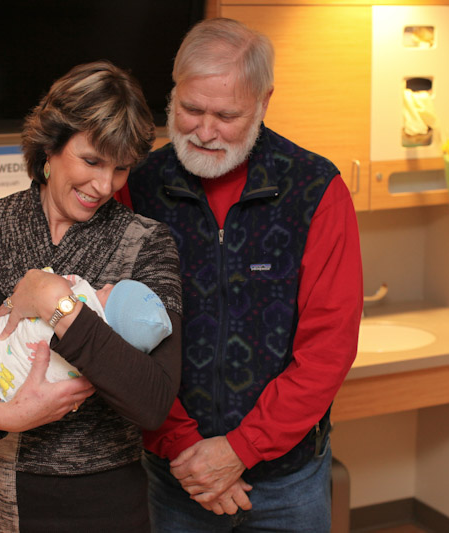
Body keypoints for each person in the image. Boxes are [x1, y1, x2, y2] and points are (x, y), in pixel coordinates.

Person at [0, 60, 183, 532]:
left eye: (121, 168)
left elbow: (153, 401)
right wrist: (1, 414)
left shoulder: (146, 243)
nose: (105, 186)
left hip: (103, 514)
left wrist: (57, 305)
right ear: (50, 145)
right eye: (92, 161)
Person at [122, 18, 363, 531]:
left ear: (264, 101)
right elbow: (119, 339)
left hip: (288, 484)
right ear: (174, 92)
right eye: (191, 109)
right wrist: (184, 446)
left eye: (226, 115)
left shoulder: (316, 189)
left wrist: (240, 449)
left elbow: (328, 347)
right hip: (175, 475)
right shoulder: (136, 188)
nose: (205, 131)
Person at [0, 275, 173, 402]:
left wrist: (53, 297)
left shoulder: (83, 306)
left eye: (109, 292)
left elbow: (38, 325)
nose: (104, 285)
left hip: (1, 360)